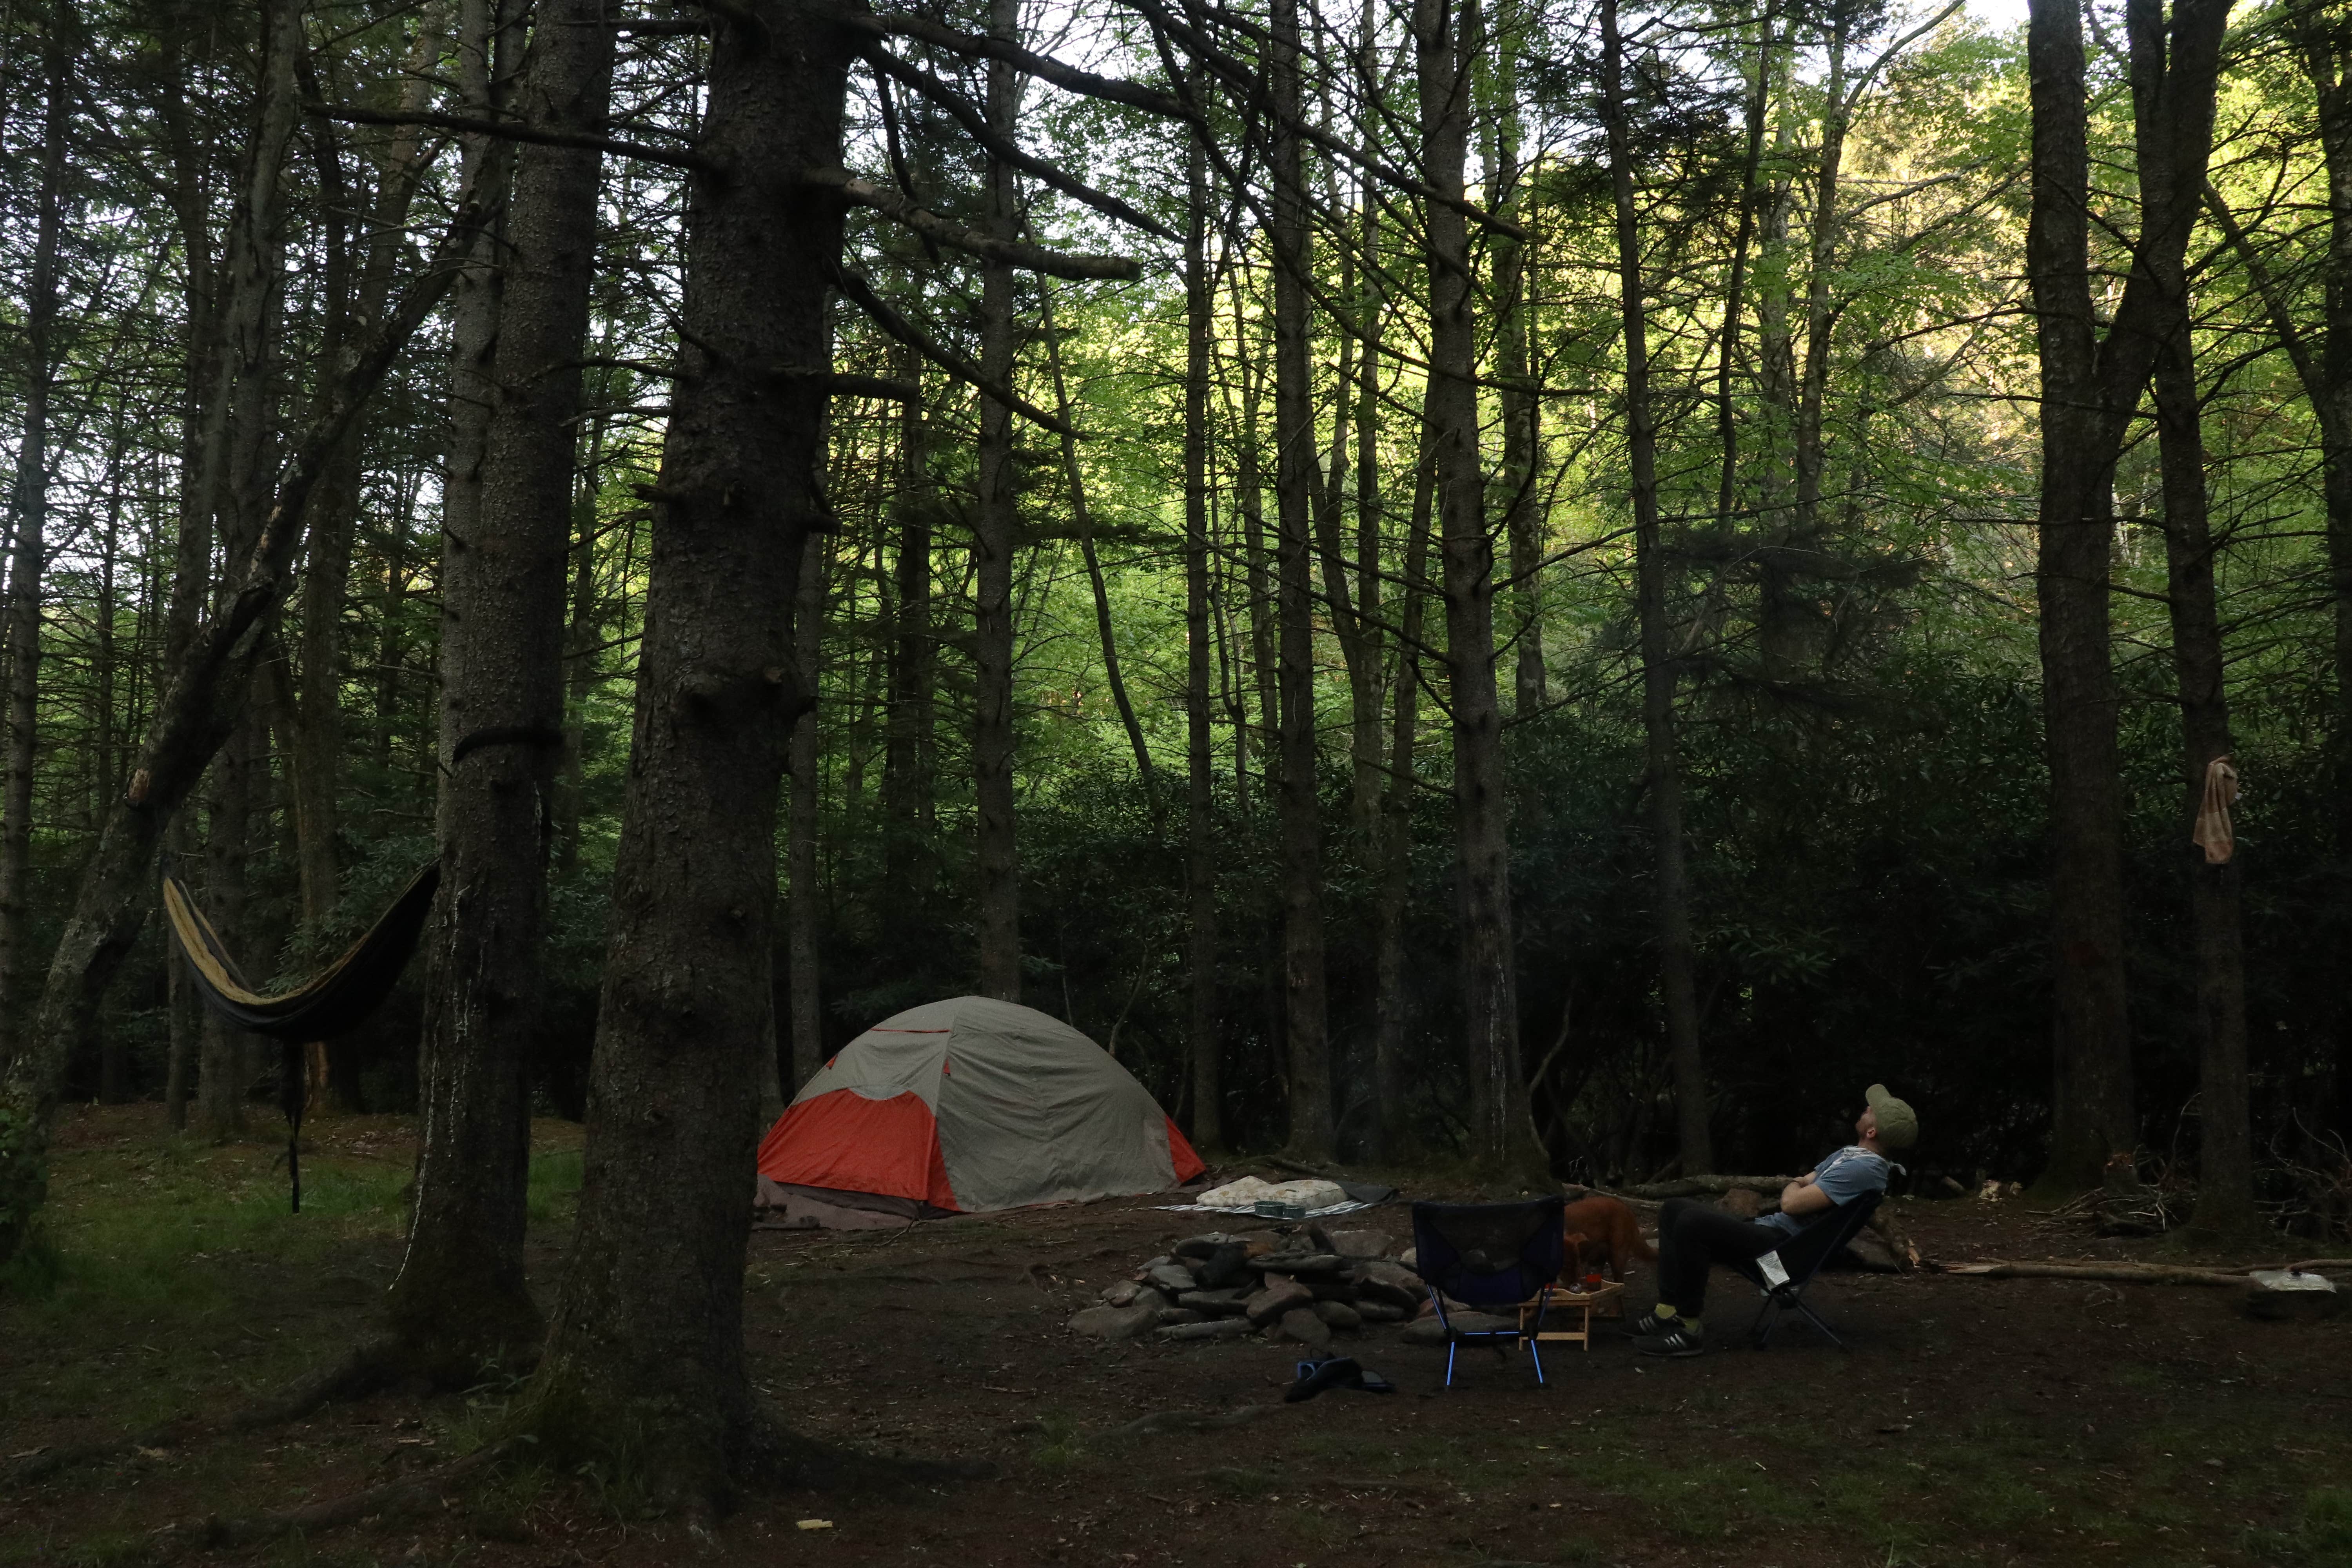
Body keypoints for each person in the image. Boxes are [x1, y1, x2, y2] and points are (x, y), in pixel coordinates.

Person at [1628, 1083, 1917, 1357]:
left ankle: (1688, 1330)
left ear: (1872, 1131)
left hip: (1781, 1256)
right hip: (1774, 1235)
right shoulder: (1850, 1156)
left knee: (1692, 1223)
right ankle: (1667, 1310)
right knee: (1673, 1209)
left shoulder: (1862, 1171)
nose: (1868, 1107)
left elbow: (1791, 1203)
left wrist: (1795, 1183)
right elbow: (1805, 1184)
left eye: (1872, 1110)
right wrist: (1800, 1184)